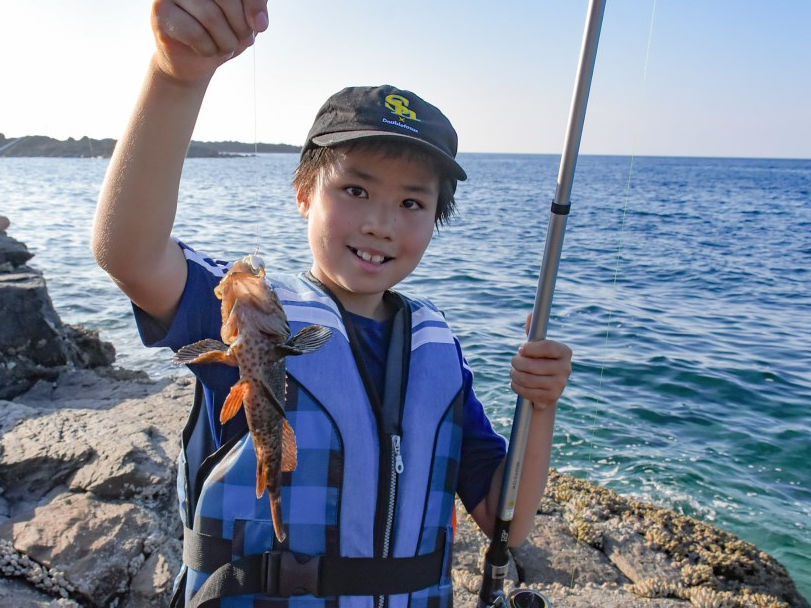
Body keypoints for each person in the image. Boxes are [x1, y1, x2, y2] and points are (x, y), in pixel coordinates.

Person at [92, 1, 572, 606]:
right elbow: (129, 255)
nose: (379, 223)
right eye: (354, 189)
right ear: (303, 193)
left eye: (411, 204)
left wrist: (541, 406)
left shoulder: (437, 355)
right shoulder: (254, 308)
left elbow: (507, 519)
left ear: (435, 220)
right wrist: (176, 75)